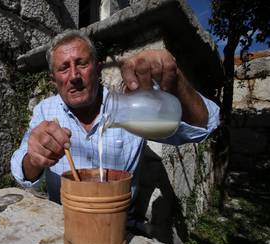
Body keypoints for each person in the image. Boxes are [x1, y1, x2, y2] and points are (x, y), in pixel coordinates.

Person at [11, 30, 220, 203]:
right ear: (53, 80)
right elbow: (23, 174)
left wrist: (176, 82)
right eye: (63, 68)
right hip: (65, 221)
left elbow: (204, 127)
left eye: (82, 63)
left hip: (118, 225)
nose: (74, 76)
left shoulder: (128, 108)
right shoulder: (45, 111)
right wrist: (35, 158)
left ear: (98, 68)